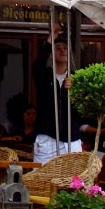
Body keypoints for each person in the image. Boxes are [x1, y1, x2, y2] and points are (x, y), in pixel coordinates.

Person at [33, 31, 82, 164]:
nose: (62, 51)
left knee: (73, 182)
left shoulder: (77, 78)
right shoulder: (44, 76)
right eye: (58, 48)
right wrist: (49, 41)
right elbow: (37, 65)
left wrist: (76, 90)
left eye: (65, 48)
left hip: (71, 139)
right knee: (43, 179)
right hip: (48, 138)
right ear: (51, 54)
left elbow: (82, 109)